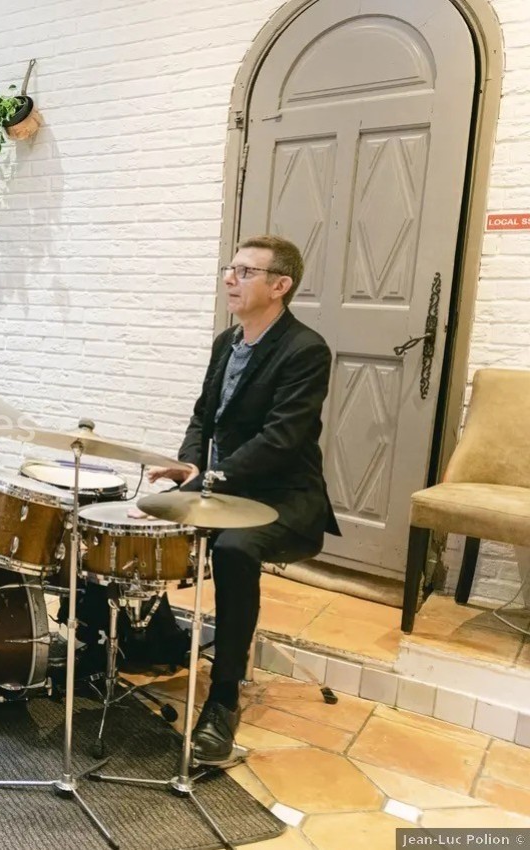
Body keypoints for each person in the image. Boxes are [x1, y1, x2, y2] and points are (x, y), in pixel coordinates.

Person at [147, 235, 340, 764]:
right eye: (231, 269)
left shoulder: (306, 350)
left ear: (281, 286)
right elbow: (201, 418)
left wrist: (208, 479)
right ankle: (152, 639)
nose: (230, 279)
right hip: (225, 484)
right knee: (137, 517)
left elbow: (282, 441)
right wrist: (191, 465)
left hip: (284, 497)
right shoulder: (225, 343)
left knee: (233, 549)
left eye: (246, 272)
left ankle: (223, 697)